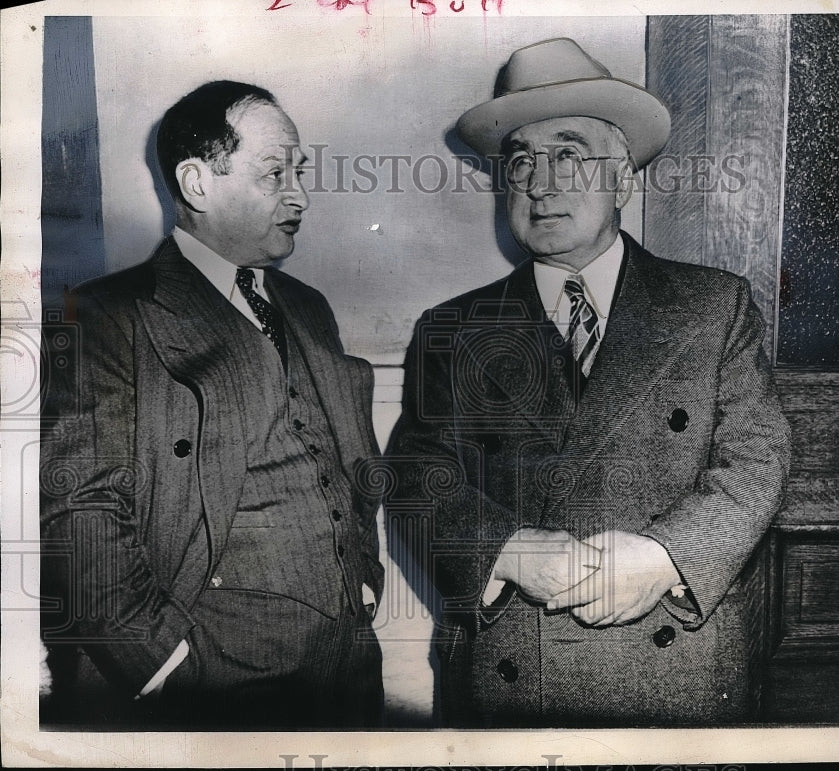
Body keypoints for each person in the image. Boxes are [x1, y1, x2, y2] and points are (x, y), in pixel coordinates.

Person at [386, 38, 791, 727]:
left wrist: (662, 556)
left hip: (675, 669)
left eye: (568, 155)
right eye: (520, 161)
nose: (540, 183)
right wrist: (509, 551)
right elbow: (418, 474)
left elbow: (759, 459)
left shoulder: (712, 306)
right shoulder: (452, 328)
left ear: (623, 179)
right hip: (509, 672)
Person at [39, 81, 384, 729]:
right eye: (275, 172)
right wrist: (163, 663)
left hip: (347, 673)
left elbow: (351, 461)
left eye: (299, 171)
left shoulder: (308, 306)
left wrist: (363, 575)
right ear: (197, 183)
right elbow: (76, 511)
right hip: (206, 686)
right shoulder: (104, 316)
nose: (300, 194)